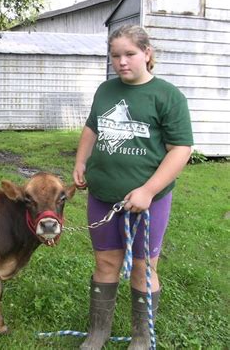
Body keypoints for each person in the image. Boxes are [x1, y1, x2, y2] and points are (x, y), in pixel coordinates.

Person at [72, 24, 193, 349]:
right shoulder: (106, 90)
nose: (121, 61)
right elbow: (92, 128)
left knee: (143, 267)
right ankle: (98, 332)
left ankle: (141, 339)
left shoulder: (167, 96)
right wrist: (81, 161)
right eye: (115, 55)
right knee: (106, 263)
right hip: (103, 197)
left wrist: (149, 190)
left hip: (149, 200)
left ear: (147, 54)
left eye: (129, 54)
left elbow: (181, 150)